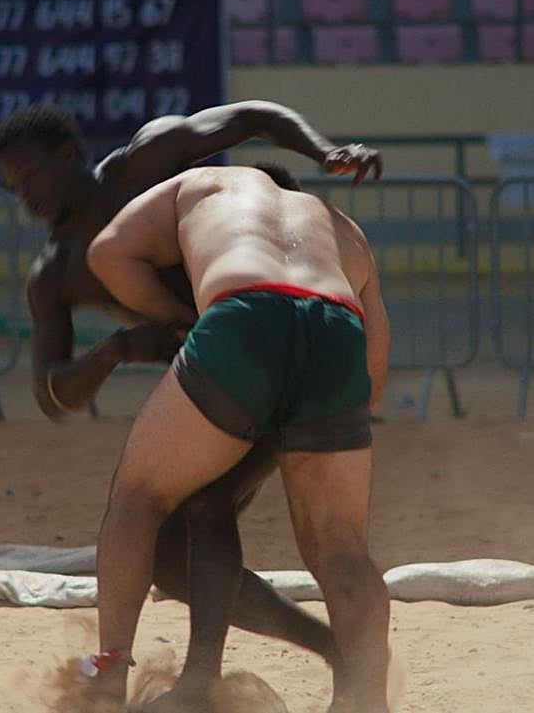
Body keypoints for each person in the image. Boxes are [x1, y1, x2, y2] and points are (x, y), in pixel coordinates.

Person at [0, 101, 382, 708]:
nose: (26, 196)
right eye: (13, 188)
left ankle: (154, 677)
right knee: (182, 559)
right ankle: (348, 668)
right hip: (294, 353)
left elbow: (255, 115)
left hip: (232, 341)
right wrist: (118, 348)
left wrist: (321, 147)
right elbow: (53, 393)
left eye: (31, 176)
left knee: (189, 503)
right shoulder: (52, 273)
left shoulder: (150, 169)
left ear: (67, 156)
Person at [86, 165, 391, 712]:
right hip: (336, 330)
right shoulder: (343, 228)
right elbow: (373, 377)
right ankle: (369, 699)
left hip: (243, 315)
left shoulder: (199, 183)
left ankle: (107, 678)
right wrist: (302, 418)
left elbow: (108, 253)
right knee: (342, 548)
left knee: (138, 498)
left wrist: (181, 318)